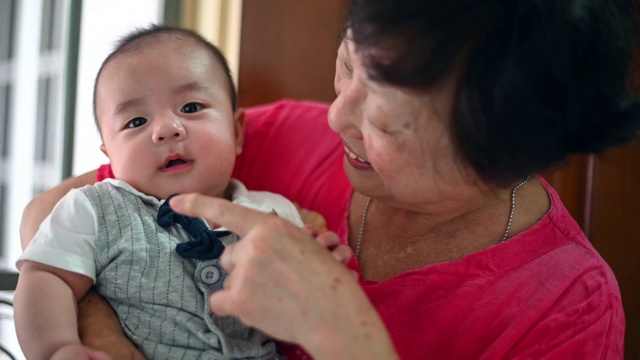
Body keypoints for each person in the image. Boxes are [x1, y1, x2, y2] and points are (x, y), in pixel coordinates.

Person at [20, 1, 640, 359]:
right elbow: (54, 217)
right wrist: (106, 337)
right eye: (347, 64)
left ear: (506, 155)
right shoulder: (273, 137)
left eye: (390, 122)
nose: (338, 114)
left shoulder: (567, 310)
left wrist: (349, 340)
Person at [12, 25, 332, 360]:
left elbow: (303, 309)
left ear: (237, 133)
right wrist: (57, 348)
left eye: (191, 107)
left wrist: (316, 270)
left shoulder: (270, 213)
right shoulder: (93, 209)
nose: (166, 130)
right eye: (136, 122)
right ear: (109, 156)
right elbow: (46, 279)